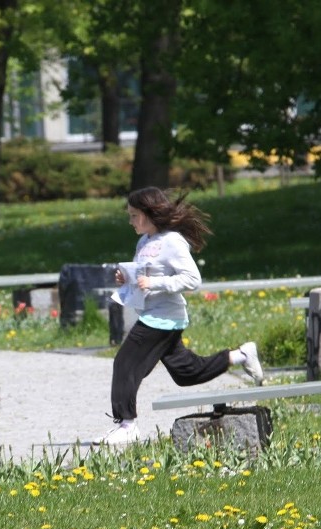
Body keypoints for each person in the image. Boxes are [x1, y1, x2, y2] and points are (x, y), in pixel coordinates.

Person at [93, 186, 264, 446]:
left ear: (150, 213)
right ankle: (240, 354)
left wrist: (155, 283)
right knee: (187, 373)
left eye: (134, 215)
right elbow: (143, 276)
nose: (130, 221)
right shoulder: (144, 241)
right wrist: (126, 279)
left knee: (125, 364)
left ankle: (127, 425)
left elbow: (192, 279)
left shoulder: (172, 241)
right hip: (155, 314)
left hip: (163, 317)